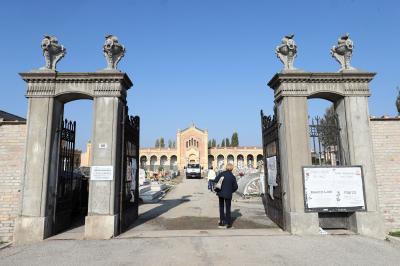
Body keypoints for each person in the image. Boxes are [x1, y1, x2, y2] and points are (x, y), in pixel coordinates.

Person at [213, 163, 238, 228]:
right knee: (228, 208)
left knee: (221, 207)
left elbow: (215, 180)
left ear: (226, 168)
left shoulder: (222, 174)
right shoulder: (232, 176)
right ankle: (228, 223)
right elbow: (235, 187)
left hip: (220, 193)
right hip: (228, 194)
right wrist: (231, 191)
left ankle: (221, 222)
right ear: (232, 168)